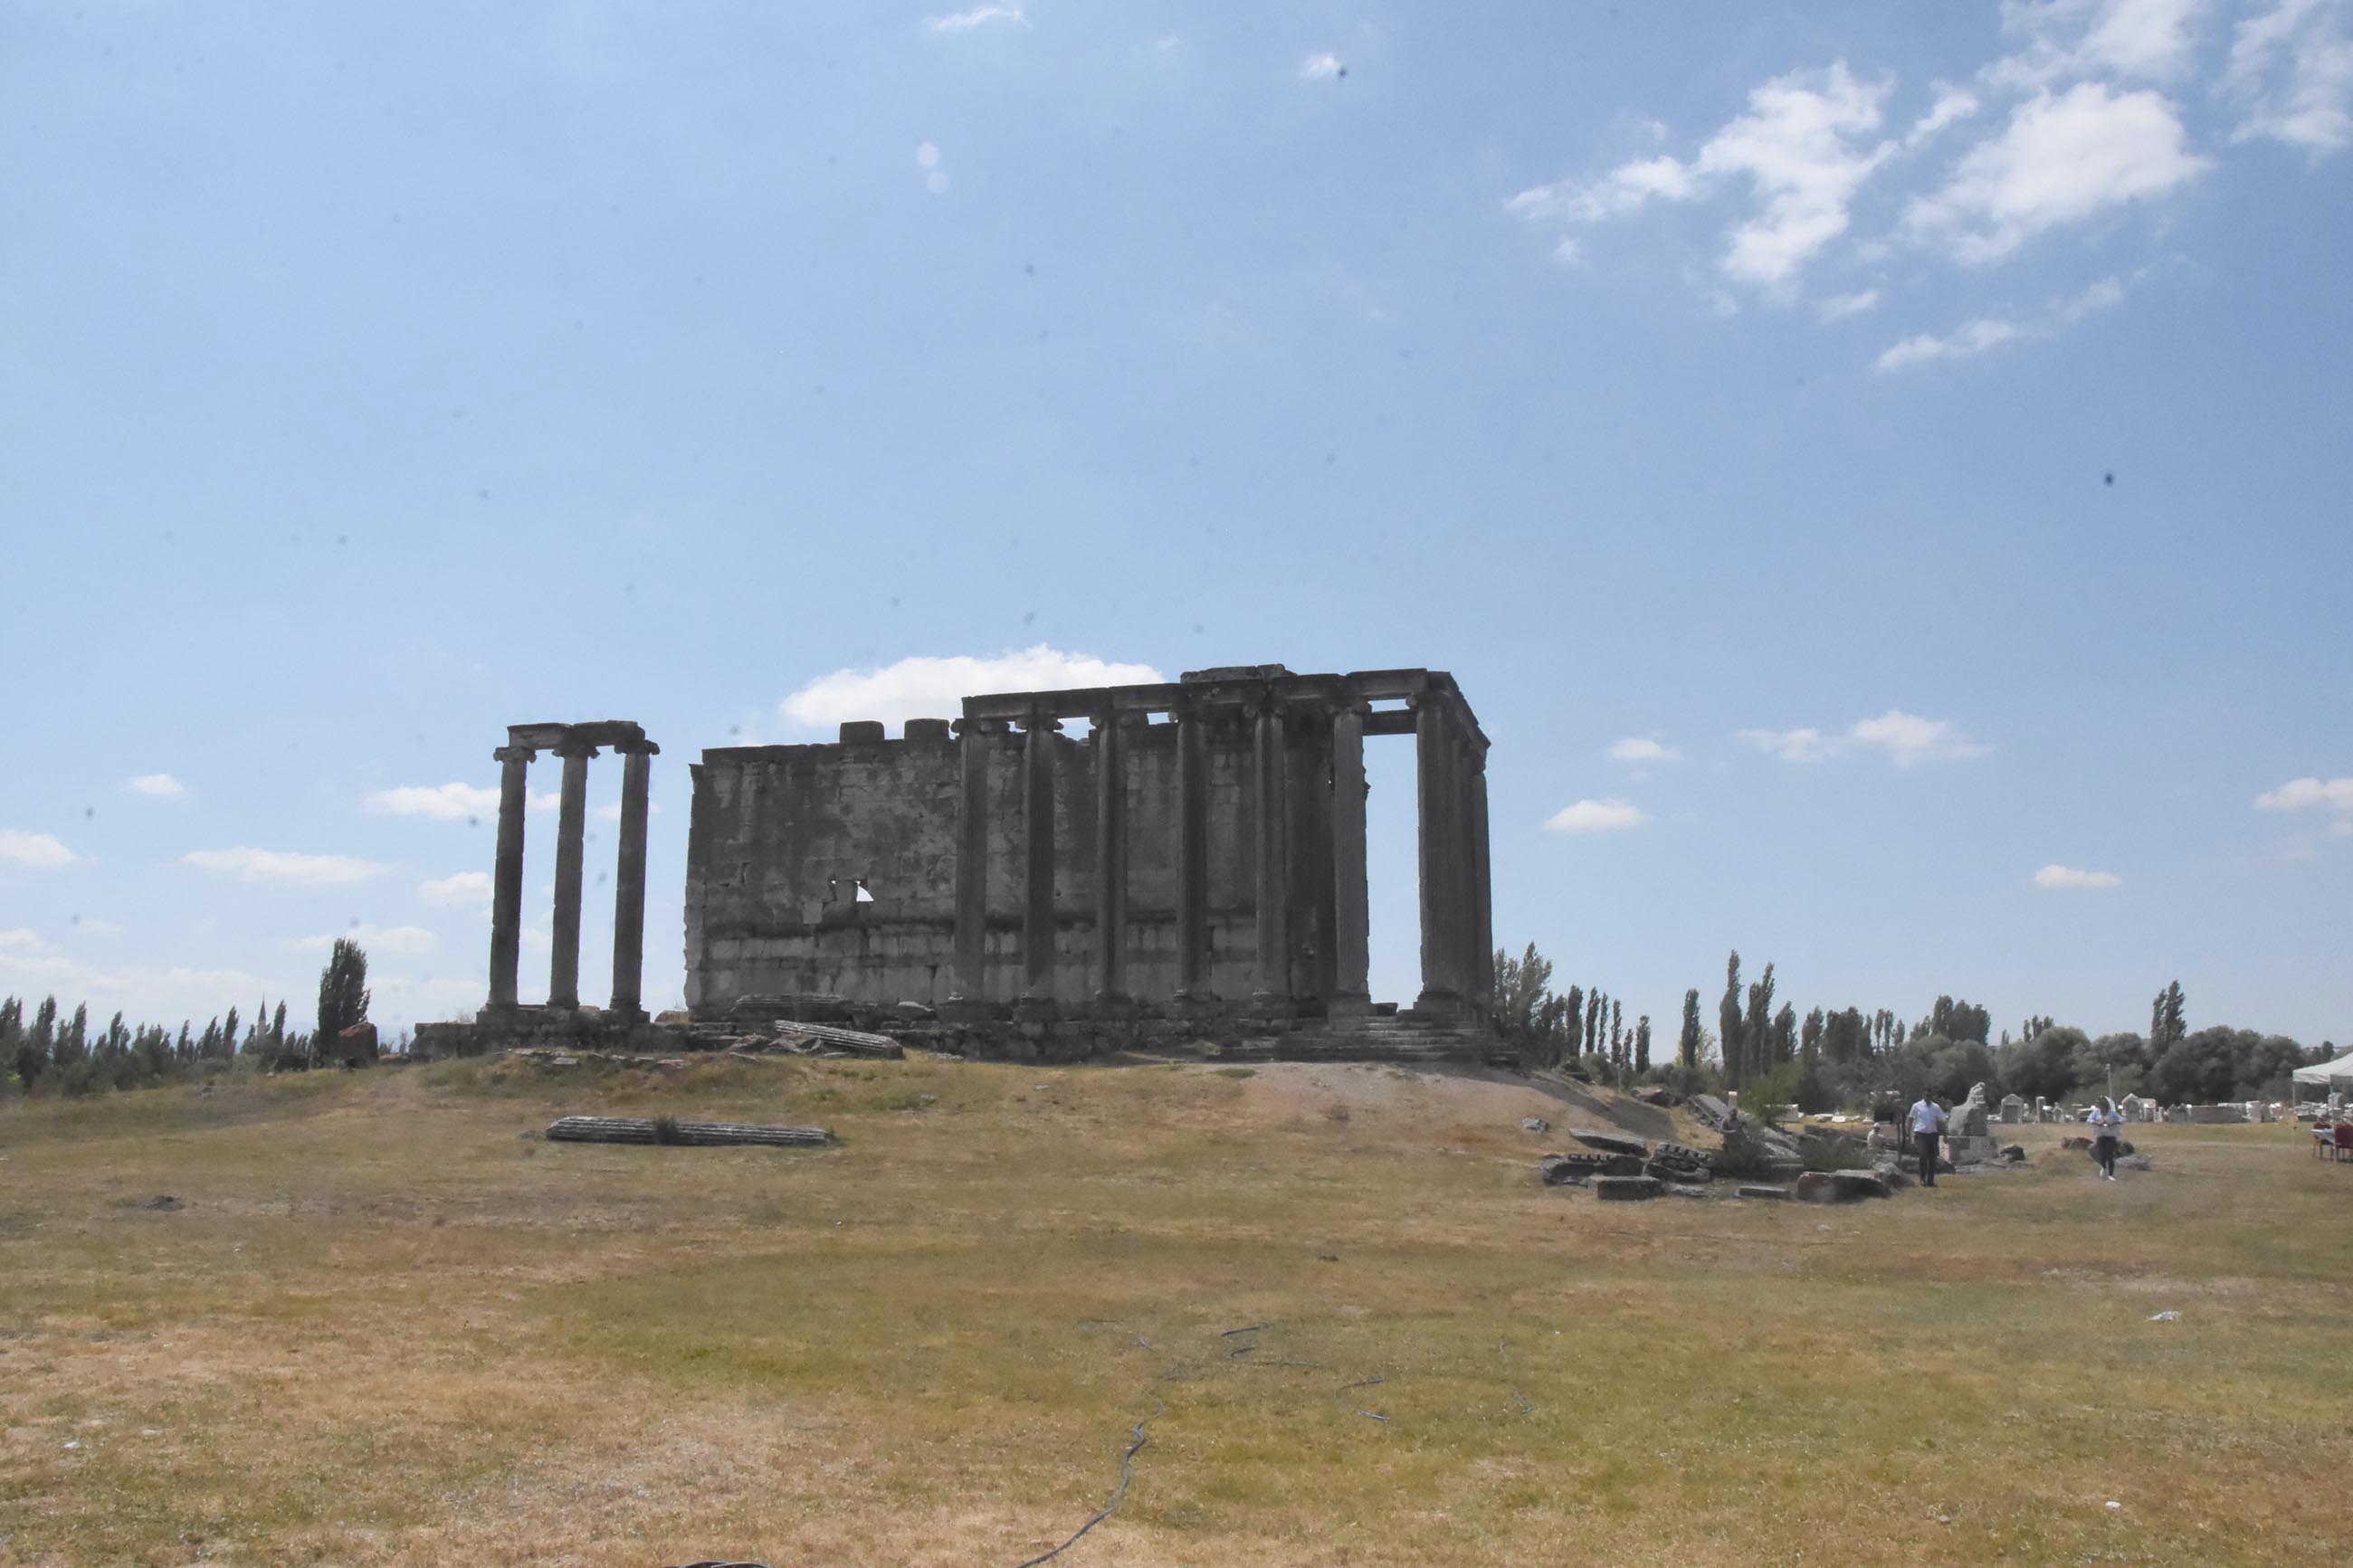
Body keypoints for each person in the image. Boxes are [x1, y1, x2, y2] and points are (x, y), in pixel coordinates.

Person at [1909, 1092, 1948, 1187]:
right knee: (1923, 1156)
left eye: (1929, 1095)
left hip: (1933, 1135)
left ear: (1932, 1096)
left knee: (1932, 1159)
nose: (1928, 1097)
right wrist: (1908, 1133)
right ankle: (1922, 1179)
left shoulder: (1936, 1107)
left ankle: (1930, 1181)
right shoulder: (1916, 1106)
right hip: (1921, 1134)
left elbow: (1941, 1121)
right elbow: (1910, 1119)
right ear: (1923, 1096)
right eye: (1926, 1095)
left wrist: (1946, 1134)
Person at [2089, 1097, 2124, 1181]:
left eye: (2098, 1104)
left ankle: (2111, 1175)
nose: (2097, 1106)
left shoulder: (2112, 1113)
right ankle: (2104, 1167)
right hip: (2100, 1136)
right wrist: (2097, 1122)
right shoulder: (2095, 1113)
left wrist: (2114, 1122)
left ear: (2103, 1105)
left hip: (2111, 1136)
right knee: (2101, 1154)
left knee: (2110, 1155)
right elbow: (2089, 1119)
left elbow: (2122, 1119)